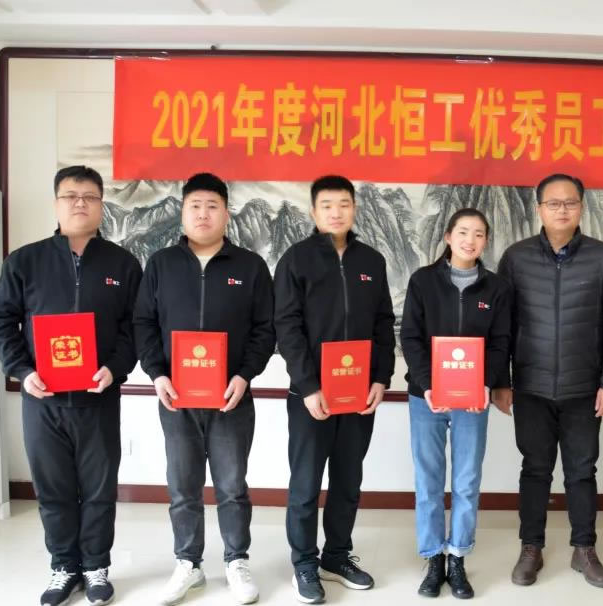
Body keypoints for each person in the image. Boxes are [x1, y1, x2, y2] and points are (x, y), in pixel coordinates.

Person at [0, 165, 142, 606]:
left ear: (101, 205)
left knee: (98, 489)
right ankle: (63, 566)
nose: (80, 203)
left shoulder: (122, 264)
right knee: (53, 489)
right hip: (43, 399)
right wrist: (22, 371)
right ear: (56, 204)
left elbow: (136, 327)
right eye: (71, 195)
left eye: (90, 196)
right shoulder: (25, 261)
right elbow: (0, 320)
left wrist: (114, 368)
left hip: (98, 398)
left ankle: (95, 566)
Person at [133, 173, 275, 605]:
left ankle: (236, 560)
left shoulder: (250, 267)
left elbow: (265, 329)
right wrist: (157, 374)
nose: (203, 214)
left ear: (226, 213)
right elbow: (144, 323)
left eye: (212, 206)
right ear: (182, 212)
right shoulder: (161, 264)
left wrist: (244, 375)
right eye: (194, 205)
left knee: (232, 486)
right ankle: (188, 564)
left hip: (232, 398)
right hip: (176, 399)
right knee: (182, 486)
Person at [496, 173, 603, 589]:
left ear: (581, 208)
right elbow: (501, 326)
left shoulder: (602, 257)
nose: (561, 209)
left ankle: (584, 548)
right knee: (535, 470)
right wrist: (501, 381)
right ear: (539, 208)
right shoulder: (516, 258)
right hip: (531, 387)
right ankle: (531, 548)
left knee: (582, 471)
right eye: (553, 203)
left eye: (570, 202)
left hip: (584, 389)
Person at [274, 175, 396, 604]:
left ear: (354, 208)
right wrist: (308, 386)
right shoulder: (296, 259)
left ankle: (336, 556)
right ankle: (305, 563)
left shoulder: (371, 261)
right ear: (313, 212)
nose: (336, 212)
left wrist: (381, 377)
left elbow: (383, 323)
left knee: (348, 480)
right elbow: (286, 326)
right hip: (311, 396)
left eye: (344, 204)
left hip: (358, 394)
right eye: (327, 205)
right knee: (306, 484)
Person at [400, 208, 513, 600]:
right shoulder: (423, 281)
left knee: (466, 480)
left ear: (485, 242)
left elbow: (501, 343)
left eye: (479, 234)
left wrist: (485, 383)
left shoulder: (496, 289)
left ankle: (458, 556)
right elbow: (410, 337)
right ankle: (433, 558)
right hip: (426, 398)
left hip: (473, 400)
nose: (470, 240)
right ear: (448, 237)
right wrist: (428, 384)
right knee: (429, 480)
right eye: (463, 232)